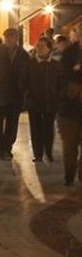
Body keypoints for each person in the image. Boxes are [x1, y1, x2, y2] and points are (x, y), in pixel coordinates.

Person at [0, 27, 30, 159]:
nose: (9, 40)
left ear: (16, 38)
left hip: (16, 95)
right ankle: (0, 148)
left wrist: (24, 90)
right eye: (7, 38)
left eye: (12, 37)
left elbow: (27, 74)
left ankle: (7, 148)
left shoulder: (23, 54)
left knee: (12, 123)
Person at [25, 36, 60, 163]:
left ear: (49, 48)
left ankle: (48, 152)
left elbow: (60, 83)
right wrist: (27, 95)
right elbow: (23, 81)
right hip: (34, 102)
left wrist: (58, 97)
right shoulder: (30, 64)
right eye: (37, 46)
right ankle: (38, 154)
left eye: (42, 46)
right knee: (35, 129)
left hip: (50, 102)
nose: (39, 49)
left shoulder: (55, 65)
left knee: (48, 129)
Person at [57, 24, 82, 186]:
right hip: (70, 109)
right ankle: (69, 173)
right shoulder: (69, 53)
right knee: (70, 146)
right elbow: (61, 78)